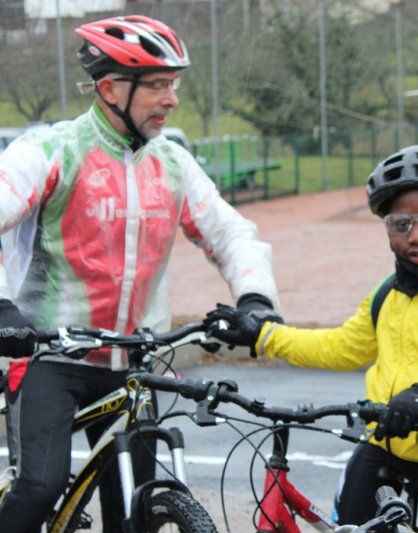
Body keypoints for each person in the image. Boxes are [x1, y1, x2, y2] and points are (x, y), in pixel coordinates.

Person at [0, 15, 282, 532]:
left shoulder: (172, 165)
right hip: (49, 357)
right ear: (110, 88)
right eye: (156, 86)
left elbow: (231, 233)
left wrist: (255, 300)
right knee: (39, 489)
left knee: (136, 510)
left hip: (134, 362)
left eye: (173, 85)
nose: (171, 99)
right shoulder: (50, 151)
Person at [207, 144, 418, 532]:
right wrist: (264, 334)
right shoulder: (386, 293)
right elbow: (341, 347)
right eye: (401, 224)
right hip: (389, 442)